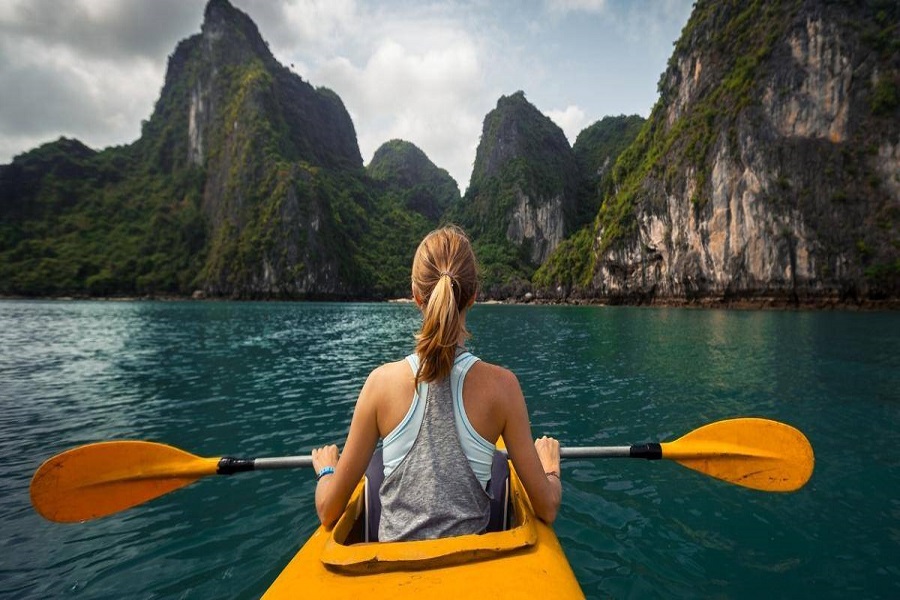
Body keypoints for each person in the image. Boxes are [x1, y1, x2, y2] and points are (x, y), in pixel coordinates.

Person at [311, 225, 561, 541]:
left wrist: (327, 471)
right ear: (473, 296)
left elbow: (328, 510)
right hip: (469, 577)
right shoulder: (503, 388)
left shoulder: (380, 385)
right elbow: (547, 507)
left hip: (393, 579)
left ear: (416, 296)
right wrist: (550, 467)